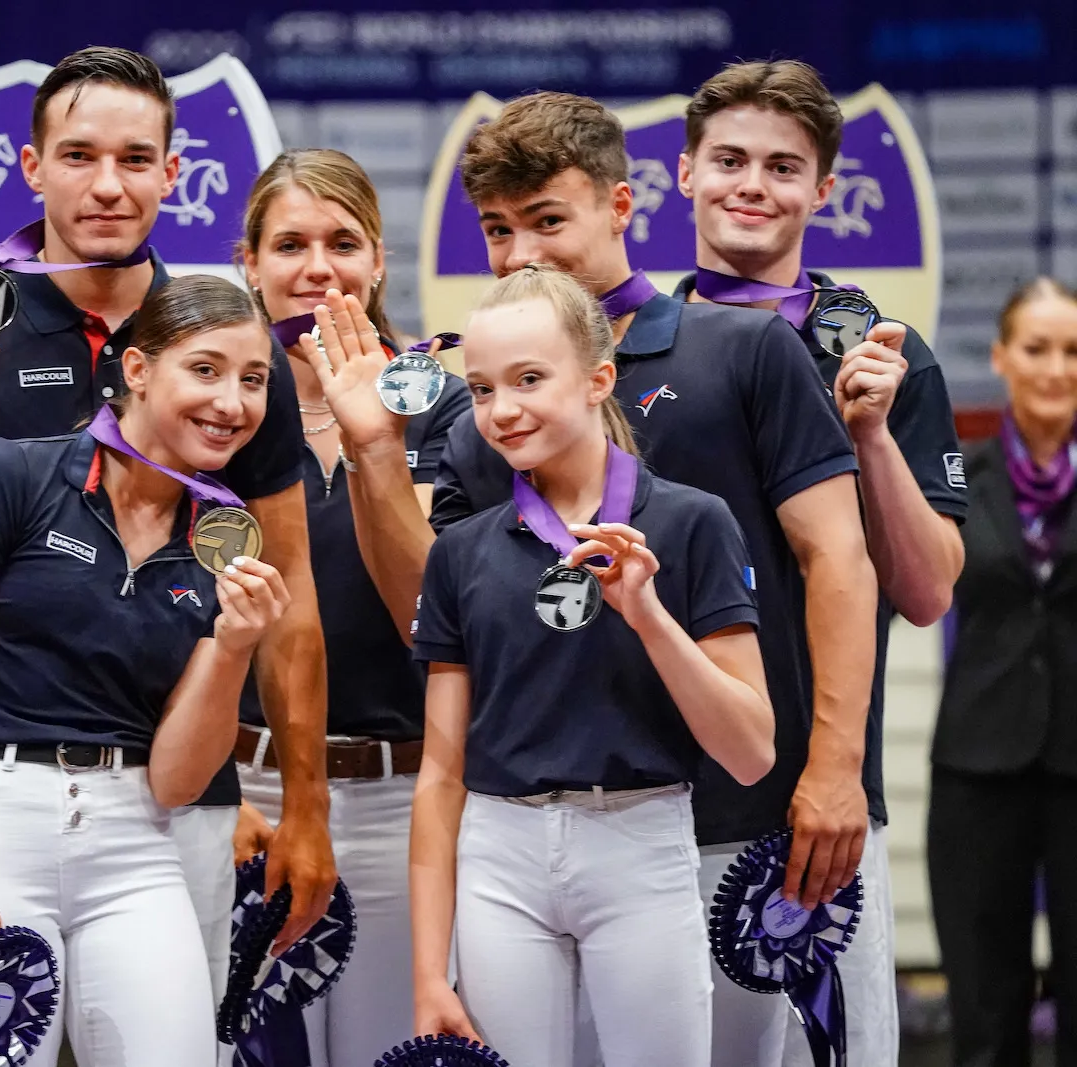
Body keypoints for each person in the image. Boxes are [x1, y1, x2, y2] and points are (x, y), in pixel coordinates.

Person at [332, 90, 876, 1066]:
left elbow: (837, 557)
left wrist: (833, 767)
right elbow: (436, 605)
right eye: (498, 229)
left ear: (621, 207)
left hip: (731, 816)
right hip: (529, 824)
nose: (518, 251)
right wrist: (376, 457)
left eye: (547, 219)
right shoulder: (475, 410)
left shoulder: (744, 349)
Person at [0, 50, 336, 996]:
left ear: (173, 175)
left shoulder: (230, 348)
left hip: (179, 801)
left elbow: (291, 596)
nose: (108, 185)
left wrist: (304, 804)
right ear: (32, 169)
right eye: (78, 156)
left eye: (135, 159)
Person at [0, 275, 287, 1067]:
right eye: (205, 370)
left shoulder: (224, 538)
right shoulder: (9, 476)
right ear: (136, 369)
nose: (231, 402)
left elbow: (176, 780)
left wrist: (233, 648)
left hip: (136, 836)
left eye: (254, 379)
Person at [399, 264, 773, 1067]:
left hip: (640, 840)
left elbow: (751, 752)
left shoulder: (692, 523)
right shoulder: (461, 552)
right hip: (500, 853)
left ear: (599, 377)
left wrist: (648, 614)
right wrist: (431, 971)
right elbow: (439, 773)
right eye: (482, 388)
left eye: (530, 379)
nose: (503, 409)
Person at [671, 59, 969, 1066]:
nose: (752, 184)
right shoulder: (621, 351)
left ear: (823, 190)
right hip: (650, 799)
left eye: (782, 166)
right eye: (729, 160)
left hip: (824, 805)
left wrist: (873, 436)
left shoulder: (883, 350)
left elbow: (926, 591)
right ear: (683, 174)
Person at [230, 148, 471, 1067]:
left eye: (343, 242)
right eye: (289, 243)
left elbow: (439, 611)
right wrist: (221, 795)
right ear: (248, 262)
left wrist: (377, 446)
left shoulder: (449, 410)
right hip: (247, 796)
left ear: (379, 263)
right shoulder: (208, 414)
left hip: (406, 796)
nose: (317, 267)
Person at [928, 278, 1077, 1067]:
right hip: (976, 769)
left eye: (1073, 350)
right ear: (1000, 358)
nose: (1056, 368)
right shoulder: (958, 477)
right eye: (1037, 348)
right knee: (985, 1006)